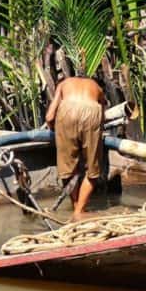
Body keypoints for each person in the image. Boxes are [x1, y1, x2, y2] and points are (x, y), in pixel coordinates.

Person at [45, 76, 106, 220]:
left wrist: (56, 130)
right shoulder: (97, 87)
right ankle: (79, 210)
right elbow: (102, 118)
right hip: (93, 111)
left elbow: (49, 117)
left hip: (67, 110)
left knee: (67, 169)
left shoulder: (64, 84)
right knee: (93, 170)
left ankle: (76, 208)